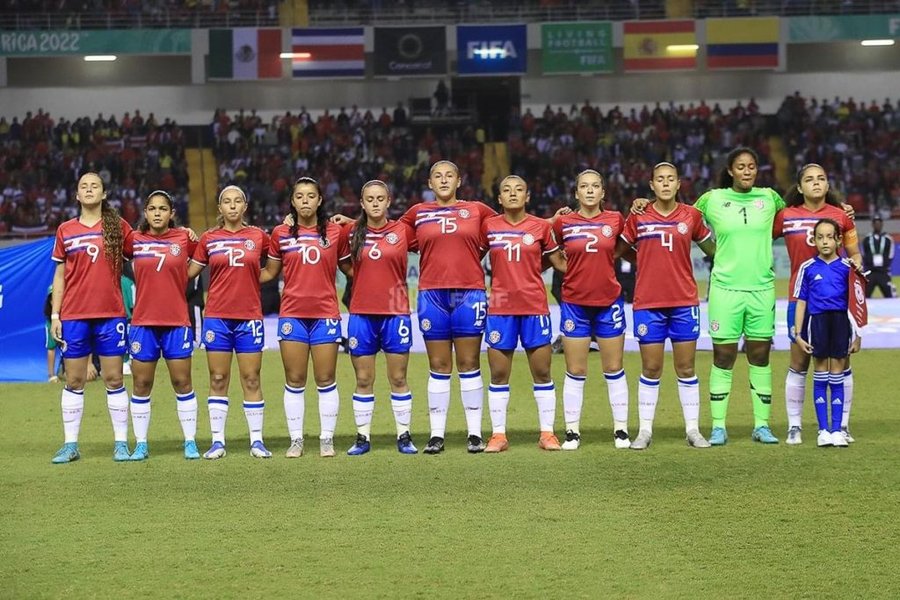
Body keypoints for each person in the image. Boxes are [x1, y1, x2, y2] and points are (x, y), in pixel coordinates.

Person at [620, 162, 716, 449]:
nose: (665, 183)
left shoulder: (691, 215)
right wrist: (644, 260)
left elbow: (713, 249)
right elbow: (620, 249)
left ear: (678, 184)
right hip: (648, 302)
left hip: (683, 301)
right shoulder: (639, 216)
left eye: (670, 179)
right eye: (659, 179)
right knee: (651, 368)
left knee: (686, 368)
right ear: (652, 185)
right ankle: (645, 431)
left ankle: (693, 430)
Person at [262, 177, 352, 458]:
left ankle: (326, 439)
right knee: (295, 378)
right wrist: (235, 273)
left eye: (311, 195)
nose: (305, 200)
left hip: (325, 314)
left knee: (326, 378)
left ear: (320, 200)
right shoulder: (281, 233)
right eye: (299, 196)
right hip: (292, 315)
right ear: (292, 201)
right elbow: (269, 272)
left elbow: (350, 269)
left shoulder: (335, 232)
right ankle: (296, 440)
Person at [775, 163, 861, 445]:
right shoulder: (786, 216)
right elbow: (760, 238)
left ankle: (842, 425)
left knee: (841, 361)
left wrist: (855, 273)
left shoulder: (841, 216)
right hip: (800, 300)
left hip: (837, 303)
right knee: (799, 361)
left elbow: (855, 254)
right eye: (809, 179)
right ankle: (795, 426)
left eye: (821, 178)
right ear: (799, 187)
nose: (816, 183)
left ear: (828, 185)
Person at [49, 172, 132, 463]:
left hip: (111, 315)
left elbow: (146, 244)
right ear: (76, 195)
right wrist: (56, 314)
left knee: (114, 378)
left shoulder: (117, 227)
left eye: (94, 185)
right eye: (83, 186)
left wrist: (181, 233)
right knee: (74, 379)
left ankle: (121, 444)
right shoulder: (65, 230)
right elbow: (60, 276)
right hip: (74, 316)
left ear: (104, 193)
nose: (89, 189)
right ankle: (70, 445)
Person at [481, 176, 567, 453]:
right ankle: (498, 435)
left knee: (542, 372)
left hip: (534, 307)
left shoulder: (541, 227)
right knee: (498, 373)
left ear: (527, 196)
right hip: (500, 309)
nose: (513, 194)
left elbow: (559, 263)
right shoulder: (489, 226)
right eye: (506, 190)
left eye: (519, 189)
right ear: (499, 198)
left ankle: (547, 433)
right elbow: (470, 257)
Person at [187, 185, 273, 460]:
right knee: (218, 378)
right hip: (217, 318)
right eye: (227, 201)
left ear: (245, 206)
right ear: (220, 208)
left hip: (249, 317)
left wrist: (251, 279)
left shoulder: (258, 236)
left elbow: (273, 267)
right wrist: (182, 238)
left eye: (237, 201)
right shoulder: (209, 238)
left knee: (251, 378)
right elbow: (189, 272)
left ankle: (257, 441)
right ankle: (217, 442)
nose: (232, 205)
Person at [553, 169, 632, 450]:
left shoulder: (615, 219)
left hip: (608, 302)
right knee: (575, 369)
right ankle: (572, 432)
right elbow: (551, 253)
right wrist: (572, 270)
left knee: (614, 367)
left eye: (595, 186)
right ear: (576, 193)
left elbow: (622, 249)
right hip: (575, 304)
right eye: (584, 186)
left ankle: (621, 430)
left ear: (602, 192)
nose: (589, 190)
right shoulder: (563, 222)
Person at [343, 180, 419, 455]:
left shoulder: (402, 231)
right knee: (364, 379)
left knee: (398, 378)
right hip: (361, 314)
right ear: (362, 204)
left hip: (395, 314)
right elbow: (340, 259)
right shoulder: (351, 232)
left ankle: (404, 436)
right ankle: (362, 438)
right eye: (370, 199)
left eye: (380, 198)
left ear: (388, 201)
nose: (375, 203)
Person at [123, 190, 199, 460]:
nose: (157, 213)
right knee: (142, 384)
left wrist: (184, 274)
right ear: (145, 213)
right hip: (143, 323)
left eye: (163, 209)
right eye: (152, 208)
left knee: (182, 381)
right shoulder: (134, 240)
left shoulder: (184, 239)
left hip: (176, 322)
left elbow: (203, 257)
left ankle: (190, 441)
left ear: (172, 213)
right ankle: (141, 444)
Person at [794, 219, 861, 448]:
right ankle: (823, 430)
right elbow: (801, 302)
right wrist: (798, 334)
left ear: (838, 240)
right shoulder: (808, 268)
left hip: (841, 322)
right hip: (818, 323)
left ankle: (838, 430)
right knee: (821, 373)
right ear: (814, 240)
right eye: (820, 237)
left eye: (829, 237)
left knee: (838, 374)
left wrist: (858, 335)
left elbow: (857, 303)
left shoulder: (848, 268)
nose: (824, 241)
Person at [861, 215, 895, 298]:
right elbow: (863, 253)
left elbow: (891, 254)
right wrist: (869, 263)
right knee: (864, 297)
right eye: (875, 223)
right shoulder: (867, 238)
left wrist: (885, 264)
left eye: (879, 223)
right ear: (872, 225)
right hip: (870, 272)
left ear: (882, 224)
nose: (877, 225)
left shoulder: (888, 239)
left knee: (890, 296)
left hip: (883, 272)